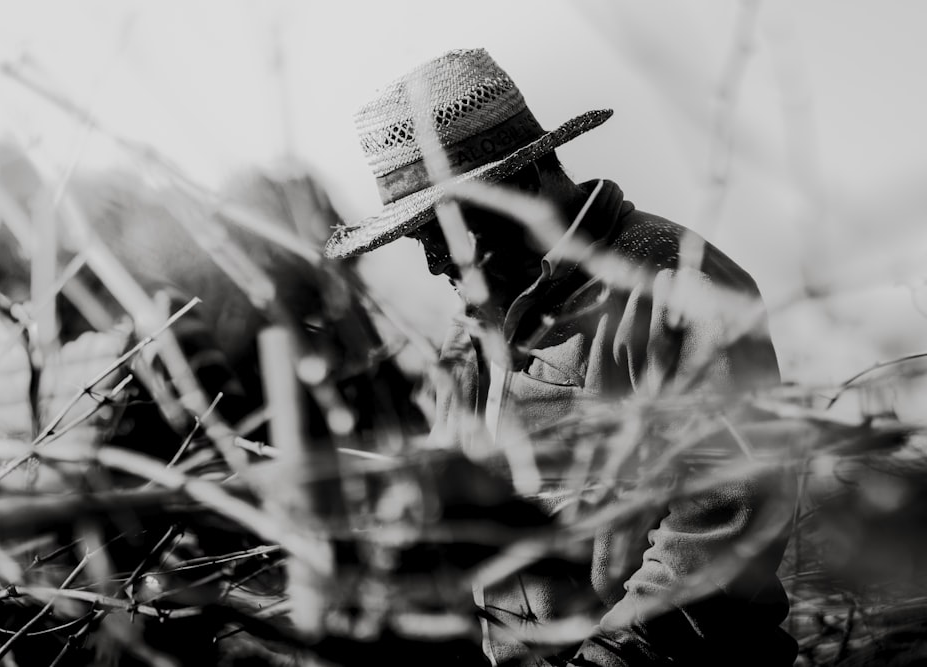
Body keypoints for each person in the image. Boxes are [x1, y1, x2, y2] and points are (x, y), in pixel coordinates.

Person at [325, 48, 797, 667]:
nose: (436, 262)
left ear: (521, 187)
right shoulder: (468, 335)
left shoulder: (675, 287)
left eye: (445, 230)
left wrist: (606, 662)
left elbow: (722, 524)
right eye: (422, 239)